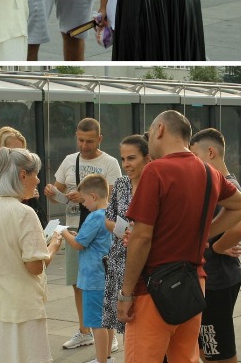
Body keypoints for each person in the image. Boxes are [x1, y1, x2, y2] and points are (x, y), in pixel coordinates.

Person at [117, 111, 241, 363]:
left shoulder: (156, 170)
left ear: (159, 130)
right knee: (185, 358)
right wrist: (203, 234)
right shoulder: (209, 172)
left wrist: (125, 293)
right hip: (193, 285)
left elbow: (141, 237)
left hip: (153, 289)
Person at [0, 147, 62, 363]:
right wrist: (53, 247)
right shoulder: (23, 213)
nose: (38, 180)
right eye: (35, 174)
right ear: (23, 175)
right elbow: (35, 266)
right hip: (20, 309)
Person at [43, 117, 121, 351]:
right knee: (80, 281)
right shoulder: (69, 160)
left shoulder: (110, 162)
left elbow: (113, 196)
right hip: (77, 224)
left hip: (100, 229)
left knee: (104, 283)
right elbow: (60, 191)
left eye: (89, 141)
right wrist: (53, 193)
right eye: (80, 140)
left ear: (100, 139)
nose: (84, 146)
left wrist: (86, 197)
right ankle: (85, 331)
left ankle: (109, 333)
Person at [189, 129, 241, 363]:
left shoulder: (225, 184)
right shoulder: (218, 183)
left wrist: (216, 247)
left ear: (210, 152)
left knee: (218, 350)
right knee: (207, 347)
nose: (192, 161)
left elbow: (239, 227)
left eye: (194, 155)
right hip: (214, 278)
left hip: (219, 280)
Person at [102, 135, 151, 351]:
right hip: (119, 258)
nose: (126, 164)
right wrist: (125, 232)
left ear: (147, 158)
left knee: (144, 320)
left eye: (131, 158)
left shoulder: (154, 183)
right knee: (124, 320)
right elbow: (108, 219)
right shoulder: (121, 184)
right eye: (123, 159)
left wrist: (138, 234)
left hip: (145, 260)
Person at [60, 174, 113, 363]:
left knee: (97, 323)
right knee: (108, 321)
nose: (83, 205)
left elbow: (78, 244)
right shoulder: (110, 214)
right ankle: (107, 357)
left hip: (93, 277)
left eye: (83, 200)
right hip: (108, 275)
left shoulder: (94, 216)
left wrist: (63, 232)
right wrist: (77, 235)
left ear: (93, 196)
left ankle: (101, 361)